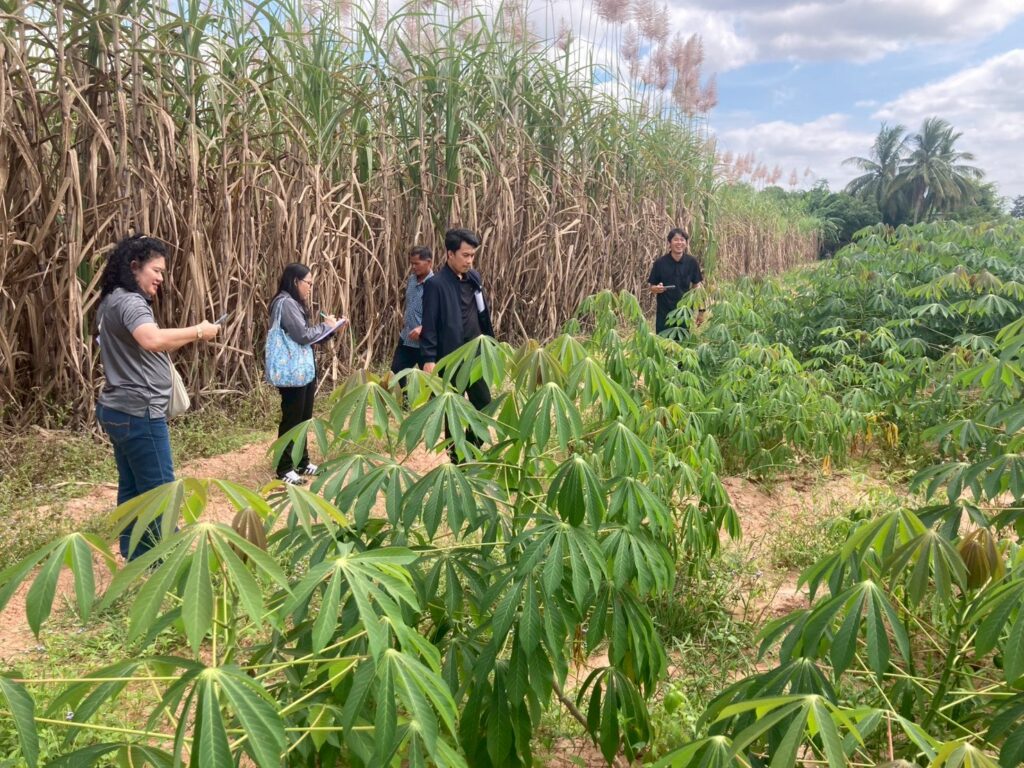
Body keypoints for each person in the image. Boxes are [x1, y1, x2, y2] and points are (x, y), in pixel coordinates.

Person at [95, 234, 222, 561]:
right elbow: (151, 340)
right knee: (162, 490)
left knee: (133, 488)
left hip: (118, 409)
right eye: (157, 270)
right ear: (134, 267)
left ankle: (135, 554)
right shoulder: (130, 303)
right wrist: (199, 331)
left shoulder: (111, 301)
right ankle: (168, 562)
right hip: (140, 412)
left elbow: (150, 345)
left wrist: (187, 337)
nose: (161, 279)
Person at [420, 228, 494, 461]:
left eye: (472, 255)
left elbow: (483, 313)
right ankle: (457, 460)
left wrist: (491, 343)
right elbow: (429, 324)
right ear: (450, 254)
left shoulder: (474, 278)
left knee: (485, 404)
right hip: (450, 358)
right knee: (454, 409)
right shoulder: (436, 285)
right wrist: (429, 359)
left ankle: (471, 449)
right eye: (465, 255)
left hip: (475, 355)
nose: (470, 260)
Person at [268, 263, 345, 485]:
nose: (310, 288)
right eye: (308, 283)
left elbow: (310, 338)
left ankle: (302, 462)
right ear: (295, 281)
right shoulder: (285, 303)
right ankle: (284, 468)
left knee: (304, 418)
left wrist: (332, 328)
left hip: (302, 371)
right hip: (292, 373)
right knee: (292, 420)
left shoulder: (294, 303)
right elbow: (302, 335)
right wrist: (326, 325)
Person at [647, 227, 704, 335]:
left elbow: (697, 287)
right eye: (676, 240)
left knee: (683, 341)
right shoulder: (660, 263)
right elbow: (651, 287)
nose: (679, 243)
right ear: (669, 242)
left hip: (685, 311)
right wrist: (656, 289)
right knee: (663, 342)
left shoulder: (692, 262)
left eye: (682, 240)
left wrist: (701, 312)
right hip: (665, 312)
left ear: (686, 243)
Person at [390, 245, 434, 374]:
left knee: (429, 380)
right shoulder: (411, 280)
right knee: (396, 373)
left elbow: (441, 315)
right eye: (412, 264)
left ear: (429, 262)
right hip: (407, 338)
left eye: (417, 263)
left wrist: (423, 328)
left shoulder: (436, 285)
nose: (413, 267)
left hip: (426, 342)